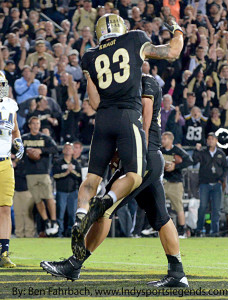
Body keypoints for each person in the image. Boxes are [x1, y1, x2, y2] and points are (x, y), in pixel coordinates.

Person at [41, 14, 184, 281]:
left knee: (105, 209)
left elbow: (141, 119)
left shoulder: (140, 80)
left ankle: (74, 263)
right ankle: (177, 272)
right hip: (139, 146)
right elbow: (172, 51)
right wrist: (176, 30)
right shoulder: (136, 51)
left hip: (145, 152)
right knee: (161, 217)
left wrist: (125, 151)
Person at [0, 71, 24, 268]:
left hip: (5, 162)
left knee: (5, 208)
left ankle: (4, 253)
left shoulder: (10, 105)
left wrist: (18, 142)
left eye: (2, 84)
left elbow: (14, 130)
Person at [22, 116, 59, 236]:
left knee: (49, 197)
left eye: (37, 123)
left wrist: (41, 151)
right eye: (33, 124)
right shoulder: (24, 138)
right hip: (30, 173)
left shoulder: (45, 138)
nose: (36, 126)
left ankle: (54, 221)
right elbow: (16, 150)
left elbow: (55, 149)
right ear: (29, 125)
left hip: (43, 172)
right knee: (38, 200)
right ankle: (46, 221)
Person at [193, 133, 228, 236]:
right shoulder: (203, 152)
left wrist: (222, 180)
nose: (210, 141)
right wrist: (196, 150)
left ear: (216, 140)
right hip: (204, 183)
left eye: (212, 139)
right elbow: (194, 160)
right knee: (202, 207)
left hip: (217, 184)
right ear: (207, 141)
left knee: (216, 209)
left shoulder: (221, 153)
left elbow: (225, 167)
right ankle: (199, 229)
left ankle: (215, 232)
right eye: (208, 139)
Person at [161, 131, 193, 237]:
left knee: (179, 208)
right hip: (162, 182)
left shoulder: (177, 150)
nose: (162, 141)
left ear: (171, 140)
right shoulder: (160, 151)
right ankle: (151, 227)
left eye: (165, 139)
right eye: (162, 139)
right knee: (154, 203)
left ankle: (181, 231)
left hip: (175, 182)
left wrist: (175, 166)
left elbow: (189, 160)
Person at [53, 143, 81, 237]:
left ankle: (71, 233)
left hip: (73, 192)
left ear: (73, 151)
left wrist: (71, 171)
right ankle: (59, 232)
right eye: (66, 148)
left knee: (72, 214)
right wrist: (66, 173)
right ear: (63, 150)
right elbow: (55, 176)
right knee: (60, 214)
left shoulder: (76, 163)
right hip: (62, 191)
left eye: (70, 148)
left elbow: (80, 176)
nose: (68, 150)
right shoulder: (58, 162)